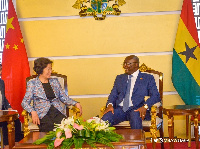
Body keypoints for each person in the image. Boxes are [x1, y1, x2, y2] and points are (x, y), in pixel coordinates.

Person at [21, 57, 82, 132]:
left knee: (66, 127)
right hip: (42, 114)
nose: (51, 71)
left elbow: (63, 97)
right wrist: (33, 112)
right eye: (48, 69)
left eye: (51, 69)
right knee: (49, 128)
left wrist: (75, 103)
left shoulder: (54, 82)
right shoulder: (32, 83)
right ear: (41, 70)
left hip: (57, 111)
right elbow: (24, 102)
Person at [102, 55, 161, 129]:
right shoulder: (119, 78)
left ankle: (137, 140)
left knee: (135, 116)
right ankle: (107, 140)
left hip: (137, 109)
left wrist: (145, 106)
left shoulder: (148, 78)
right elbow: (113, 95)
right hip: (120, 110)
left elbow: (156, 96)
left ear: (136, 65)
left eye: (128, 64)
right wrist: (110, 105)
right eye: (124, 63)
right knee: (106, 117)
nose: (124, 66)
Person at [0, 64, 24, 145]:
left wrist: (9, 107)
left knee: (15, 121)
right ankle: (7, 146)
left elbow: (4, 98)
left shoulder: (1, 82)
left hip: (1, 114)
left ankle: (15, 144)